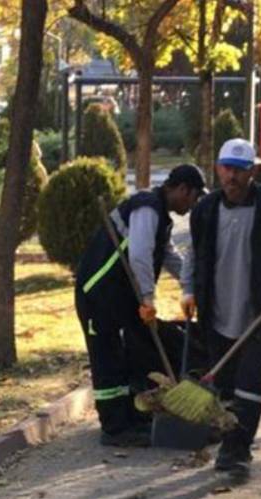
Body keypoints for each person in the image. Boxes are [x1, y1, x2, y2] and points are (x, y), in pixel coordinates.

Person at [183, 138, 261, 482]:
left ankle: (238, 452)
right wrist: (189, 289)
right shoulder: (204, 210)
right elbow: (194, 255)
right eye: (227, 168)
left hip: (260, 316)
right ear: (218, 169)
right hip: (216, 314)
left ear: (252, 171)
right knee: (224, 384)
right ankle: (229, 442)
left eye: (240, 170)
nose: (232, 177)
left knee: (249, 381)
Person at [74, 164, 206, 447]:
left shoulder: (161, 215)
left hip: (119, 296)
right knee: (107, 357)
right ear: (183, 190)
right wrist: (148, 298)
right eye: (193, 198)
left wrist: (191, 285)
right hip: (98, 293)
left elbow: (168, 254)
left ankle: (130, 416)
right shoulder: (147, 208)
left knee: (129, 355)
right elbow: (140, 256)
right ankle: (114, 428)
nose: (193, 205)